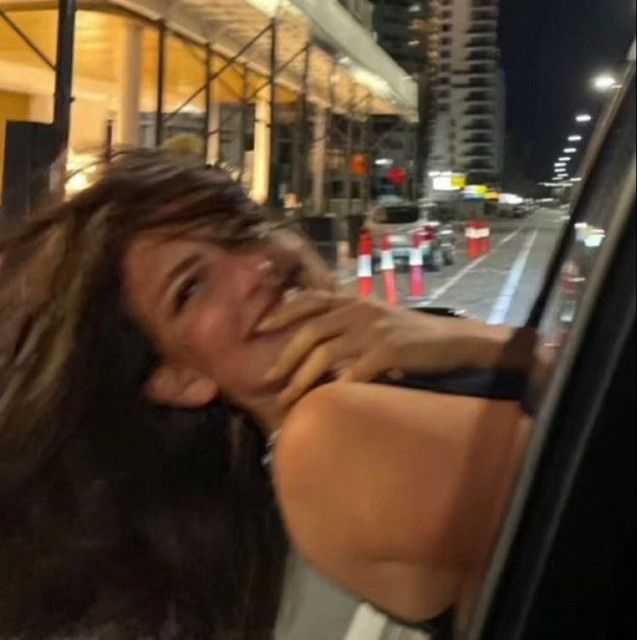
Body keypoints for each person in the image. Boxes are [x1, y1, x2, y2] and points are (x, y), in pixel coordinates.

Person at [0, 150, 535, 639]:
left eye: (243, 230)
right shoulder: (327, 437)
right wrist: (475, 344)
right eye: (191, 288)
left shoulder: (388, 381)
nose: (258, 268)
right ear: (182, 379)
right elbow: (590, 454)